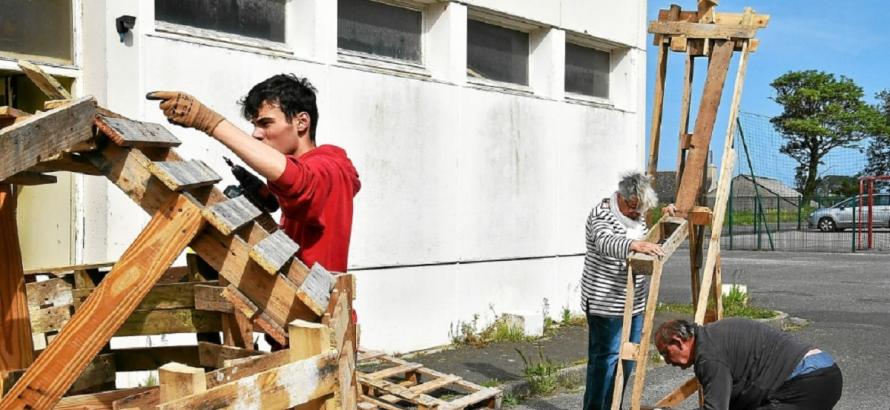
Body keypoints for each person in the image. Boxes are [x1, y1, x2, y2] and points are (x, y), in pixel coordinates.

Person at [147, 74, 361, 273]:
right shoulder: (321, 168)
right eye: (254, 125)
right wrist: (265, 196)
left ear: (302, 122)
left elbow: (297, 180)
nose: (256, 134)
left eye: (266, 123)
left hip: (313, 312)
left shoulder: (328, 168)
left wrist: (207, 121)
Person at [582, 171, 676, 410]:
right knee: (605, 362)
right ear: (622, 198)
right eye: (634, 207)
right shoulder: (601, 214)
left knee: (627, 361)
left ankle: (615, 406)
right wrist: (634, 244)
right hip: (606, 304)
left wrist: (663, 223)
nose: (637, 213)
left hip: (633, 303)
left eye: (640, 209)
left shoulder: (637, 217)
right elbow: (605, 242)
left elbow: (648, 238)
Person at [655, 318, 843, 410]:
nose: (667, 361)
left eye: (665, 352)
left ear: (678, 341)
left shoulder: (707, 356)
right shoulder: (713, 334)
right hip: (825, 373)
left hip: (807, 382)